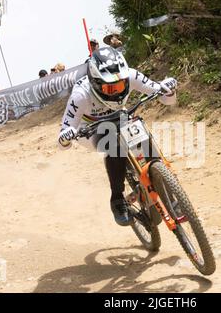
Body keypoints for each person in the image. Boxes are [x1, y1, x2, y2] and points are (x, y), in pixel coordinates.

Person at [58, 47, 177, 227]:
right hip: (89, 129)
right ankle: (117, 199)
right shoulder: (81, 94)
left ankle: (167, 189)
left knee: (138, 128)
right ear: (96, 82)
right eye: (109, 87)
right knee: (112, 142)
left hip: (119, 117)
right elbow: (62, 141)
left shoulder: (129, 75)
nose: (115, 92)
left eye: (120, 86)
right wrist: (66, 136)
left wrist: (168, 90)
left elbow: (167, 99)